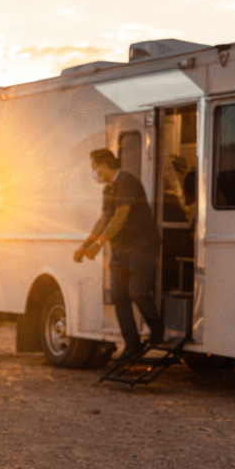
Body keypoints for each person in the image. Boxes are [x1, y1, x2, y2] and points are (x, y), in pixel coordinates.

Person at [73, 148, 163, 362]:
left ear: (104, 166)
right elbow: (104, 220)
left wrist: (101, 243)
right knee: (118, 296)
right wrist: (86, 245)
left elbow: (121, 216)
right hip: (121, 249)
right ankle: (133, 345)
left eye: (95, 169)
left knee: (138, 291)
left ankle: (157, 330)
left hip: (141, 245)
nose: (94, 173)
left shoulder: (126, 182)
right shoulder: (108, 190)